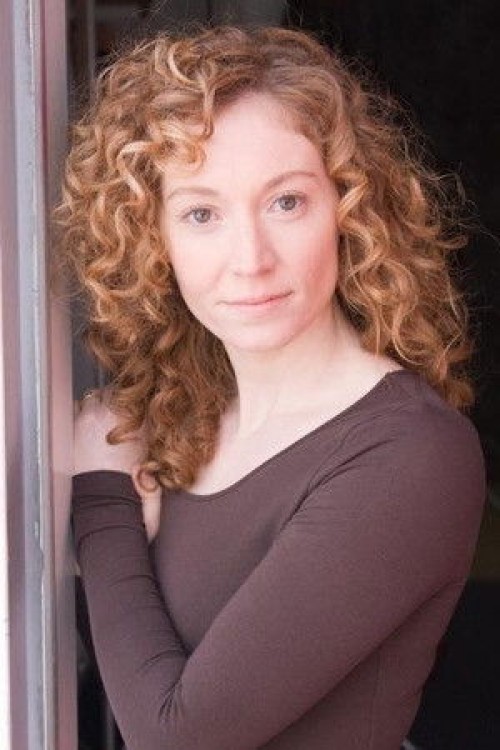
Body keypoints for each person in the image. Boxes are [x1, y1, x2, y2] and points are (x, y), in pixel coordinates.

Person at [56, 25, 486, 750]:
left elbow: (176, 737)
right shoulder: (186, 423)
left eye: (286, 202)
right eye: (202, 214)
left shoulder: (411, 453)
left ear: (349, 209)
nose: (250, 259)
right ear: (153, 239)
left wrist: (102, 499)